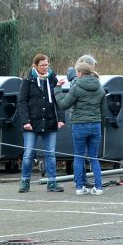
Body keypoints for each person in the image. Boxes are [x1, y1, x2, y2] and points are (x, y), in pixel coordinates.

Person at [55, 61, 107, 196]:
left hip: (79, 125)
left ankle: (79, 187)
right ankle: (99, 187)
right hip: (95, 125)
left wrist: (57, 90)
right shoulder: (100, 87)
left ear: (79, 73)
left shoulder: (76, 86)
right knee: (94, 157)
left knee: (78, 156)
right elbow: (104, 112)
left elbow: (64, 105)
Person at [17, 54, 65, 193]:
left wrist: (61, 119)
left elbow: (58, 100)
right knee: (28, 153)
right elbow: (22, 102)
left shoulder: (53, 79)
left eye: (47, 65)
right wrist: (25, 121)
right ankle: (25, 182)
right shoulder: (27, 81)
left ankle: (52, 183)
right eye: (42, 65)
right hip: (31, 124)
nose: (45, 67)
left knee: (50, 153)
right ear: (35, 66)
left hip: (49, 122)